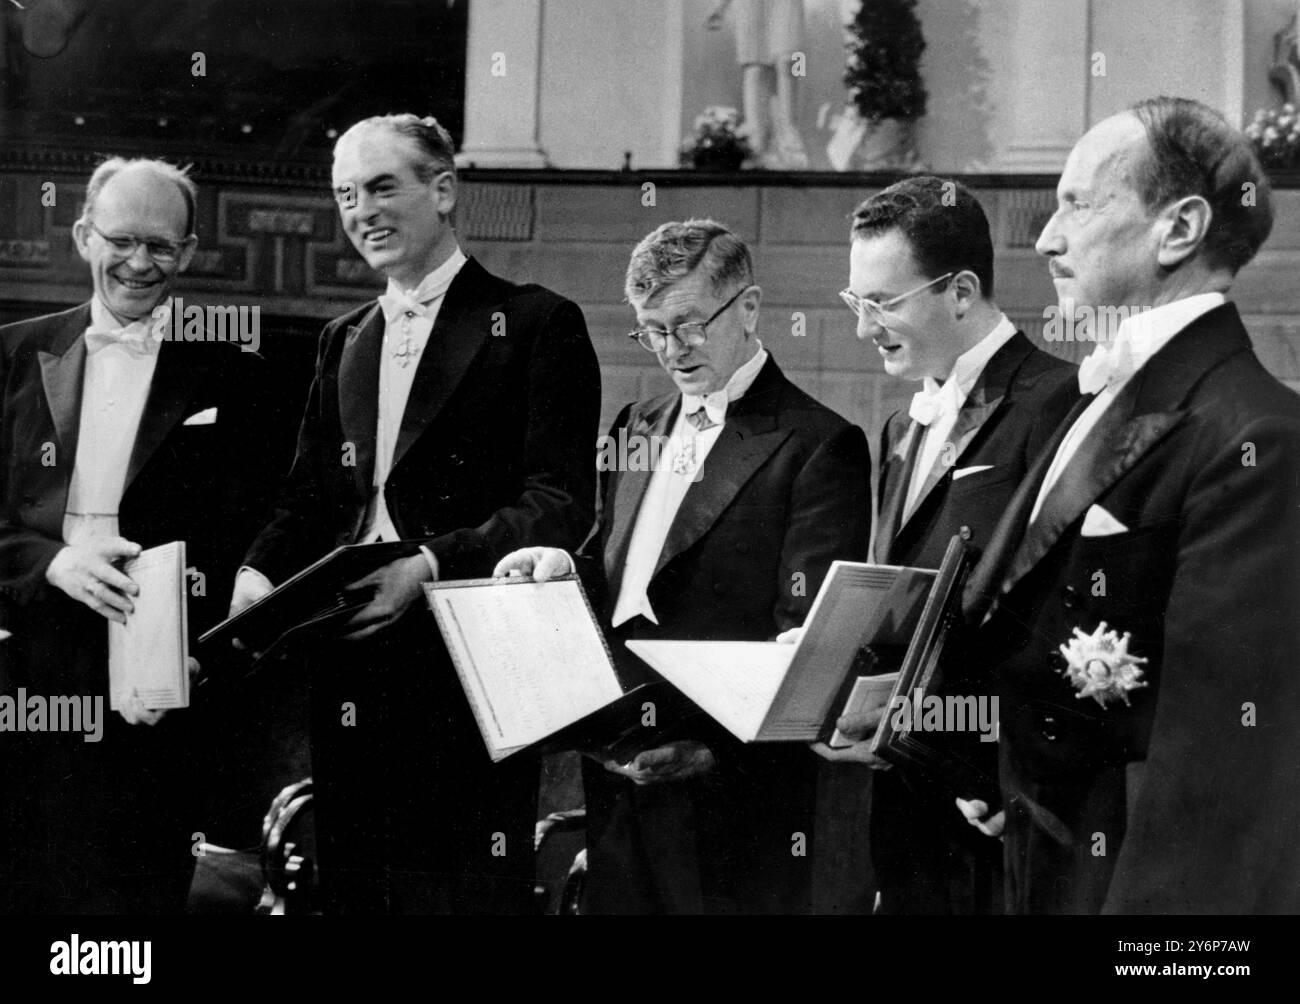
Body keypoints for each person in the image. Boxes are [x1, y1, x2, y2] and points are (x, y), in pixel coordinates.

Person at [230, 113, 600, 914]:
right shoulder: (343, 338)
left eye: (382, 186)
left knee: (461, 895)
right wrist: (257, 576)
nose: (362, 210)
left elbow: (561, 504)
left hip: (470, 663)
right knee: (356, 890)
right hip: (349, 655)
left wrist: (427, 567)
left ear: (443, 190)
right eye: (345, 194)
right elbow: (309, 497)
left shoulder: (537, 322)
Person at [960, 96, 1300, 914]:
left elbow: (1222, 759)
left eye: (1077, 205)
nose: (1045, 236)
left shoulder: (1260, 436)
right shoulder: (1081, 402)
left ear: (1178, 229)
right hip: (1030, 865)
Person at [495, 219, 871, 914]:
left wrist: (711, 754)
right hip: (616, 780)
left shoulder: (820, 446)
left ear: (749, 308)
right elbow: (620, 568)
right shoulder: (635, 422)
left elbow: (809, 650)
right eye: (652, 330)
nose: (672, 350)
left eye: (690, 325)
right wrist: (561, 565)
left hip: (734, 803)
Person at [0, 156, 277, 913]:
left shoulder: (237, 372)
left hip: (160, 681)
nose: (139, 262)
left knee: (139, 897)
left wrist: (195, 654)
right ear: (85, 237)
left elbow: (252, 532)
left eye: (162, 245)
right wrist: (53, 564)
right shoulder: (12, 354)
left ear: (186, 253)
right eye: (122, 239)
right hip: (27, 675)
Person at [810, 176, 1078, 915]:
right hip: (904, 800)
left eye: (884, 303)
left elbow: (1063, 614)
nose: (865, 326)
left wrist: (1008, 780)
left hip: (999, 808)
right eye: (854, 302)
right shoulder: (901, 430)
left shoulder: (1060, 402)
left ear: (961, 292)